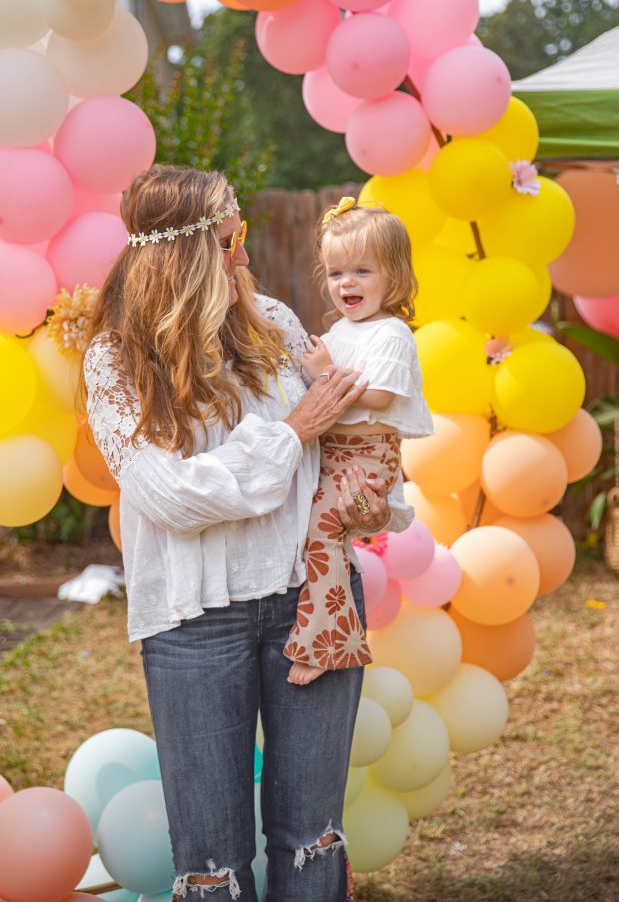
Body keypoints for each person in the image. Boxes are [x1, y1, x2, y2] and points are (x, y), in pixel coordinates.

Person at [82, 166, 413, 902]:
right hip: (193, 623)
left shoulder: (276, 325)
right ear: (190, 253)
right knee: (210, 862)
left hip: (312, 598)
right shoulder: (114, 359)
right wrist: (292, 434)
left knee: (311, 838)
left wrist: (379, 501)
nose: (245, 256)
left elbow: (343, 438)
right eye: (231, 241)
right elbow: (169, 494)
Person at [284, 197, 433, 686]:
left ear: (394, 276)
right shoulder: (340, 331)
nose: (346, 283)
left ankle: (330, 643)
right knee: (307, 528)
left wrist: (325, 376)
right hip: (336, 453)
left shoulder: (390, 334)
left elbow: (383, 396)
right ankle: (320, 623)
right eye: (335, 272)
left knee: (322, 530)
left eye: (362, 271)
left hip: (368, 457)